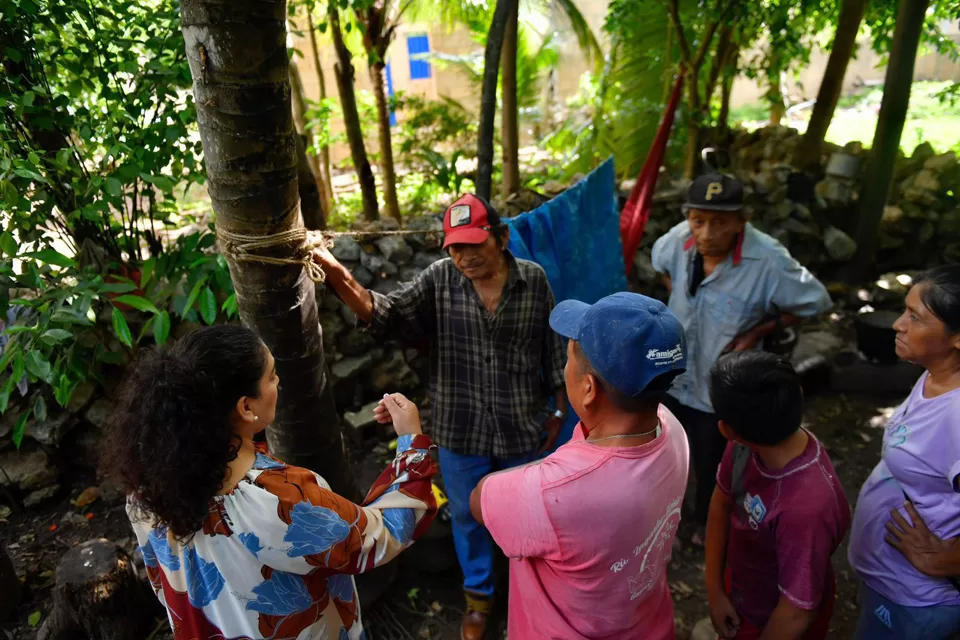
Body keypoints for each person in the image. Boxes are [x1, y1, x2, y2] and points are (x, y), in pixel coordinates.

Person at [311, 193, 567, 638]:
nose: (464, 257)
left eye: (474, 244)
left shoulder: (534, 281)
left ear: (502, 238)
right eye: (455, 247)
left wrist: (559, 408)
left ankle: (529, 597)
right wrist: (333, 270)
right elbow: (385, 313)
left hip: (521, 425)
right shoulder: (439, 280)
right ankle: (479, 600)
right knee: (469, 518)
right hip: (460, 428)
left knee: (525, 517)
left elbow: (554, 349)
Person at [102, 325, 437, 640]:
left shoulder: (146, 488)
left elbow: (164, 581)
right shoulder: (280, 502)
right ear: (246, 407)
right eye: (272, 376)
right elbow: (379, 536)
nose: (279, 383)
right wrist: (411, 442)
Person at [468, 292, 690, 639]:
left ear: (588, 389)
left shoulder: (552, 493)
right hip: (647, 625)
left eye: (569, 359)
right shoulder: (671, 427)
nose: (564, 368)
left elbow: (479, 500)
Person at [651, 172, 832, 545]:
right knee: (665, 448)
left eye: (720, 222)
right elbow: (661, 266)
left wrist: (756, 332)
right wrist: (683, 302)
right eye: (698, 220)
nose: (705, 233)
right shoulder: (678, 239)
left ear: (740, 221)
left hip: (718, 382)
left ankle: (705, 523)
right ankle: (661, 517)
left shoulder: (768, 260)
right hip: (675, 370)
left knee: (712, 456)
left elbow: (816, 300)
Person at [704, 351, 850, 640]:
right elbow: (721, 504)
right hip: (741, 592)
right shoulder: (749, 444)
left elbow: (796, 613)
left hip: (777, 622)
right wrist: (715, 591)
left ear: (725, 429)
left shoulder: (807, 508)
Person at [849, 265, 960, 639]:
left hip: (918, 602)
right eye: (904, 310)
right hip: (893, 584)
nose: (898, 324)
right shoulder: (935, 376)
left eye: (915, 317)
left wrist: (947, 559)